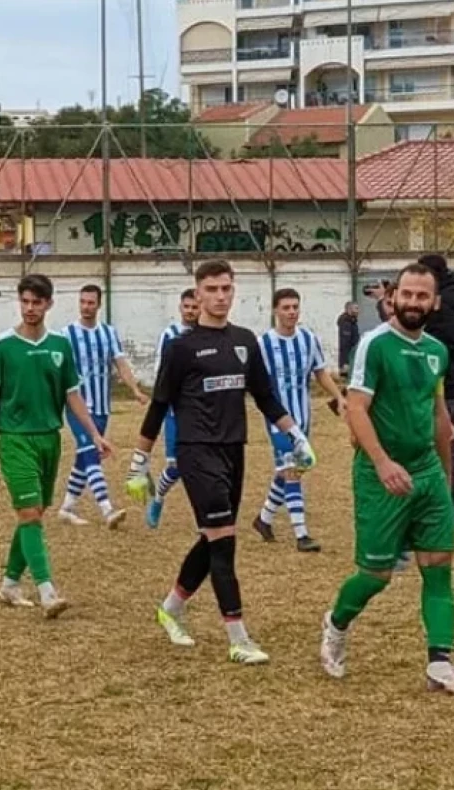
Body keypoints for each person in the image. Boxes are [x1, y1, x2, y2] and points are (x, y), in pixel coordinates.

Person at [127, 260, 316, 666]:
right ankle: (238, 638)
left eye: (226, 288)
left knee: (213, 537)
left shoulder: (246, 341)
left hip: (235, 449)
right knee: (225, 542)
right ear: (197, 295)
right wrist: (139, 462)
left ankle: (171, 609)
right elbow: (159, 405)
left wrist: (296, 436)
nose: (219, 296)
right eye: (211, 289)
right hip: (197, 452)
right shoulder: (181, 347)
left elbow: (266, 397)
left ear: (234, 291)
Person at [318, 263, 454, 694]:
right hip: (380, 473)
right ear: (393, 296)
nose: (413, 302)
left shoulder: (438, 351)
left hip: (426, 472)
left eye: (421, 296)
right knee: (376, 575)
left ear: (435, 302)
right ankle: (336, 625)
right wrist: (384, 462)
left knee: (439, 567)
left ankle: (440, 663)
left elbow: (439, 416)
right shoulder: (373, 345)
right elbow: (355, 409)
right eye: (406, 294)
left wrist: (445, 482)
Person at [0, 274, 112, 619]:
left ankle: (9, 583)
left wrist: (95, 434)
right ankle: (47, 590)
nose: (31, 308)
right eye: (26, 301)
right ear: (19, 302)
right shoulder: (3, 346)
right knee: (30, 513)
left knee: (34, 514)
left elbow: (72, 394)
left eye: (38, 302)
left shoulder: (59, 346)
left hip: (49, 438)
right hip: (15, 439)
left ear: (48, 304)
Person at [251, 288, 345, 553]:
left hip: (303, 417)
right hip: (277, 420)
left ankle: (264, 519)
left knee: (293, 468)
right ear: (275, 311)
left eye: (295, 307)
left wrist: (339, 396)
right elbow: (257, 385)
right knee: (292, 470)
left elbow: (320, 373)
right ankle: (301, 534)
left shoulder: (308, 339)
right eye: (286, 307)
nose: (292, 312)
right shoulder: (263, 344)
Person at [56, 284, 146, 529]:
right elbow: (57, 370)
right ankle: (107, 509)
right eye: (82, 302)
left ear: (99, 304)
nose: (86, 307)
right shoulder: (66, 335)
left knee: (86, 456)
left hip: (102, 407)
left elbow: (120, 363)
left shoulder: (107, 333)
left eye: (90, 302)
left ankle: (66, 508)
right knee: (89, 450)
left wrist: (135, 389)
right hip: (77, 406)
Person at [416, 255, 454, 529]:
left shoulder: (443, 305)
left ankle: (448, 508)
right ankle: (453, 508)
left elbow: (417, 331)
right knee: (451, 446)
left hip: (447, 384)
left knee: (443, 447)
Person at [144, 288, 200, 529]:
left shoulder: (206, 334)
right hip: (176, 412)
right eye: (186, 307)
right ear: (180, 308)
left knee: (201, 466)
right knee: (176, 466)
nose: (190, 311)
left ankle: (204, 519)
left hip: (201, 412)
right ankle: (158, 499)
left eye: (194, 307)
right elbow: (161, 372)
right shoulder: (169, 335)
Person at [337, 300, 361, 372]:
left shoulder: (352, 322)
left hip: (352, 358)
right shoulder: (346, 323)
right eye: (356, 308)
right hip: (348, 361)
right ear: (349, 309)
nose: (358, 311)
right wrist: (346, 362)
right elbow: (345, 344)